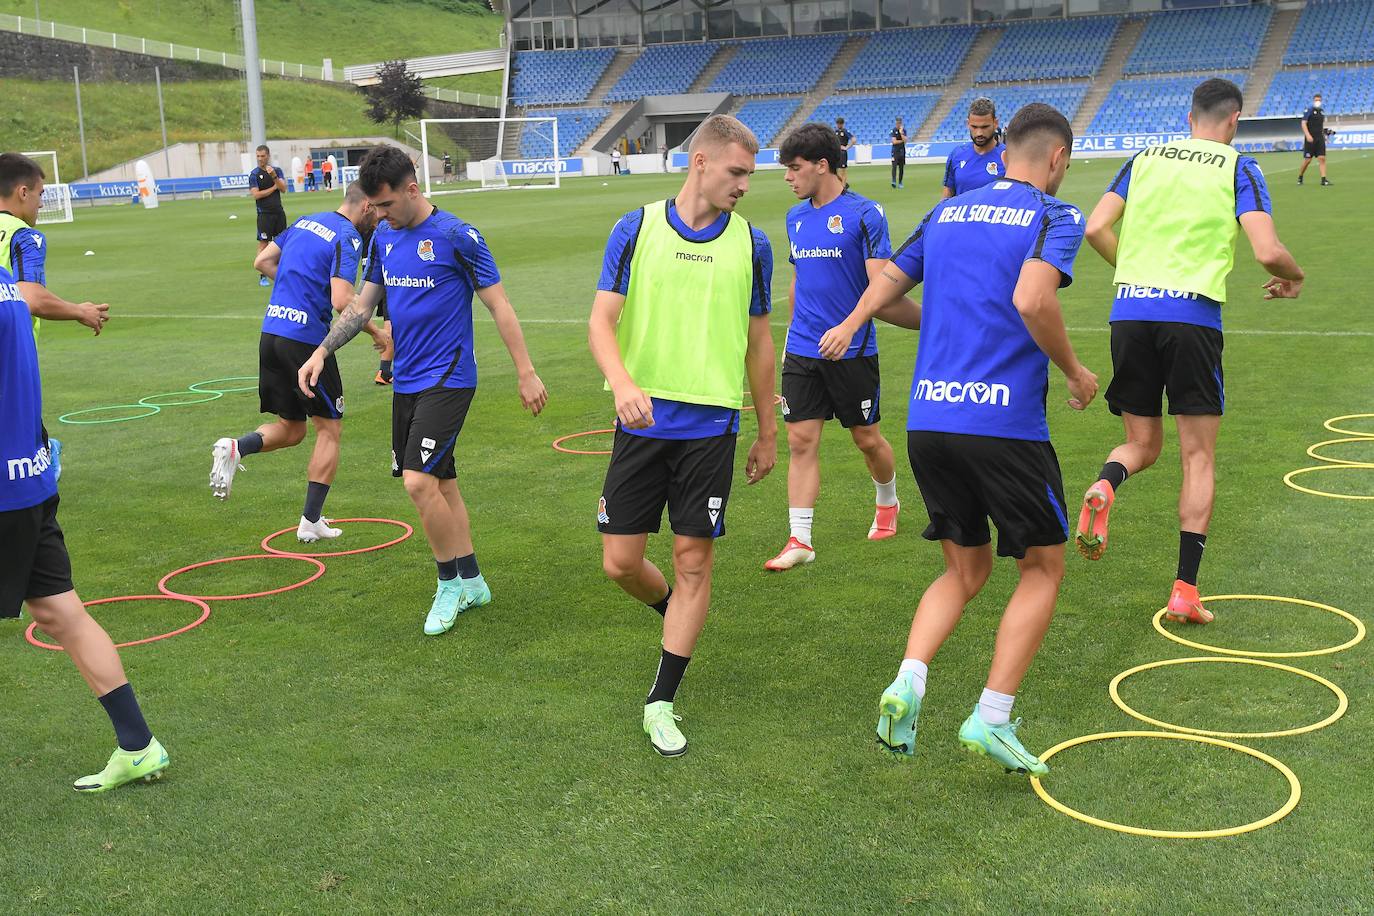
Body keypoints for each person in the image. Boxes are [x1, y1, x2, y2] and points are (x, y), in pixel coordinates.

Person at [819, 103, 1097, 777]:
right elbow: (1034, 299)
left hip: (929, 422)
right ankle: (991, 718)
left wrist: (930, 315)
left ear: (1003, 154)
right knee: (1042, 567)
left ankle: (908, 682)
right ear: (1056, 160)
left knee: (963, 570)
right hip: (1002, 424)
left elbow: (881, 294)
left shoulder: (947, 213)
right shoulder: (1054, 215)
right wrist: (1076, 369)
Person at [1078, 78, 1304, 624]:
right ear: (1233, 121)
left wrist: (1136, 274)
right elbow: (1267, 250)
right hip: (1191, 317)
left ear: (1189, 117)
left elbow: (1095, 226)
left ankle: (1105, 484)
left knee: (1141, 443)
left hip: (1130, 312)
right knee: (1196, 456)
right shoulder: (1237, 165)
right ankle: (1184, 590)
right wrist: (1294, 277)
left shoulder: (1145, 157)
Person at [297, 145, 548, 636]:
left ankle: (448, 582)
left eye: (387, 205)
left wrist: (526, 371)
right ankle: (473, 578)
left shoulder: (458, 236)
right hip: (407, 380)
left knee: (417, 481)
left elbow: (499, 306)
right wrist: (323, 350)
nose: (379, 215)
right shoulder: (385, 239)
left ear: (412, 188)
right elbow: (361, 308)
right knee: (442, 482)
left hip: (450, 378)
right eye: (374, 207)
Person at [589, 114, 777, 758]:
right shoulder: (635, 227)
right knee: (619, 562)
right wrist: (620, 384)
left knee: (695, 560)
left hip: (713, 427)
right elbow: (600, 322)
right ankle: (675, 613)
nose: (744, 185)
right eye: (736, 172)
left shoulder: (753, 243)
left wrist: (767, 431)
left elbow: (758, 342)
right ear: (699, 162)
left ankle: (661, 699)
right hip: (641, 421)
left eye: (749, 174)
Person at [1, 267, 169, 792]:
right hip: (29, 477)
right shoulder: (5, 278)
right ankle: (139, 746)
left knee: (65, 613)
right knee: (60, 611)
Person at [765, 123, 920, 572]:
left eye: (794, 168)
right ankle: (800, 539)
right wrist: (792, 336)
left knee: (866, 439)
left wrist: (850, 328)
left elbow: (882, 290)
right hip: (804, 351)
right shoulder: (795, 218)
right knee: (800, 440)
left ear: (822, 165)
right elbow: (800, 282)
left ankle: (887, 501)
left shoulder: (865, 214)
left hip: (851, 352)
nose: (788, 178)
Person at [209, 185, 384, 543]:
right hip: (305, 342)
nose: (380, 216)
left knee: (293, 428)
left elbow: (262, 261)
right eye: (378, 209)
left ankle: (235, 447)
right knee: (329, 429)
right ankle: (310, 521)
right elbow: (342, 300)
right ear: (365, 205)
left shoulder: (306, 222)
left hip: (271, 333)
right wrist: (377, 332)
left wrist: (299, 287)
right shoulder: (348, 235)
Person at [1, 152, 114, 479]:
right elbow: (30, 297)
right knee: (25, 458)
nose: (39, 205)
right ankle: (45, 460)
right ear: (23, 192)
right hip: (11, 360)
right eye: (40, 195)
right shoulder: (24, 236)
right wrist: (80, 311)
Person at [942, 97, 1006, 198]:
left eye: (985, 127)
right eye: (974, 127)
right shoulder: (957, 154)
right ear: (968, 124)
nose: (979, 133)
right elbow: (947, 193)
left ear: (995, 123)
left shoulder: (1008, 156)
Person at [250, 144, 289, 287]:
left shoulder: (276, 171)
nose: (260, 159)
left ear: (268, 156)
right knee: (263, 244)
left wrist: (274, 177)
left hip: (278, 213)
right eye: (258, 156)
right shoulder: (254, 174)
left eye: (262, 156)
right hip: (264, 214)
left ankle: (281, 272)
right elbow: (256, 195)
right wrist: (274, 187)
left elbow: (284, 189)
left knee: (281, 244)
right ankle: (262, 276)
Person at [1297, 92, 1331, 187]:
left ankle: (1323, 180)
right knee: (1308, 160)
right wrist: (1308, 135)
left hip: (1319, 138)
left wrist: (1324, 136)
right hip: (1310, 139)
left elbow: (1320, 126)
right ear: (1313, 101)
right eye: (1316, 100)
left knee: (1322, 158)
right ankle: (1300, 176)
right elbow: (1303, 123)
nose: (1318, 102)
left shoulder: (1322, 112)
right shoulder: (1309, 110)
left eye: (1319, 100)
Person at [835, 117, 855, 185]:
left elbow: (853, 140)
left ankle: (843, 187)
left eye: (840, 124)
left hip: (842, 153)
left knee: (843, 170)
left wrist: (847, 147)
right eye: (837, 124)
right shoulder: (835, 132)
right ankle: (844, 183)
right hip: (836, 152)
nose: (838, 125)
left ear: (843, 124)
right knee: (835, 172)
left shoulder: (845, 131)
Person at [890, 116, 907, 189]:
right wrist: (901, 141)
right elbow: (894, 141)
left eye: (899, 122)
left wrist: (901, 133)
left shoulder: (903, 131)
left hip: (902, 151)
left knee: (901, 167)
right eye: (897, 122)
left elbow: (906, 140)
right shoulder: (893, 130)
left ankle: (900, 182)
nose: (898, 124)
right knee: (894, 166)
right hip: (895, 151)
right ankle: (893, 181)